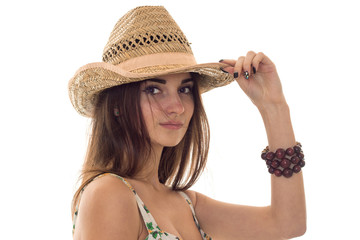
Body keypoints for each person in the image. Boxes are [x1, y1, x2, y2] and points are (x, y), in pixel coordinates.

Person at [69, 6, 306, 240]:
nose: (177, 107)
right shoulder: (109, 193)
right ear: (117, 105)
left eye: (184, 89)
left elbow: (288, 223)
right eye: (153, 89)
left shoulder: (187, 205)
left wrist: (273, 107)